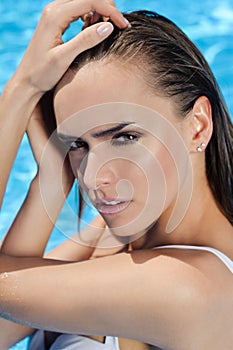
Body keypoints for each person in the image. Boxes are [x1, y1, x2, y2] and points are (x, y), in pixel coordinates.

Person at [0, 0, 233, 349]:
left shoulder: (193, 286)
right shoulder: (114, 236)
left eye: (125, 137)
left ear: (198, 127)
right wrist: (51, 176)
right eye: (78, 144)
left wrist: (23, 86)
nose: (94, 178)